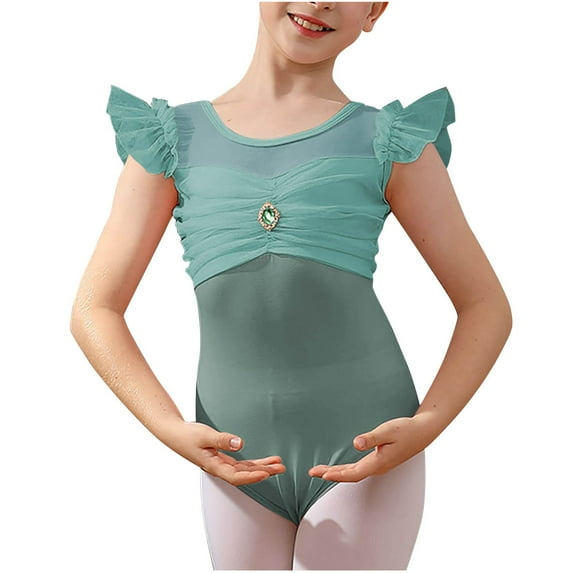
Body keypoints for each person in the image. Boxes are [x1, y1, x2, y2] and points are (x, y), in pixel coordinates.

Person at [70, 2, 512, 570]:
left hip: (366, 450)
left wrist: (428, 423)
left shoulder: (390, 142)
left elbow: (484, 304)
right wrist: (168, 427)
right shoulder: (170, 140)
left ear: (375, 9)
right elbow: (95, 309)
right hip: (234, 456)